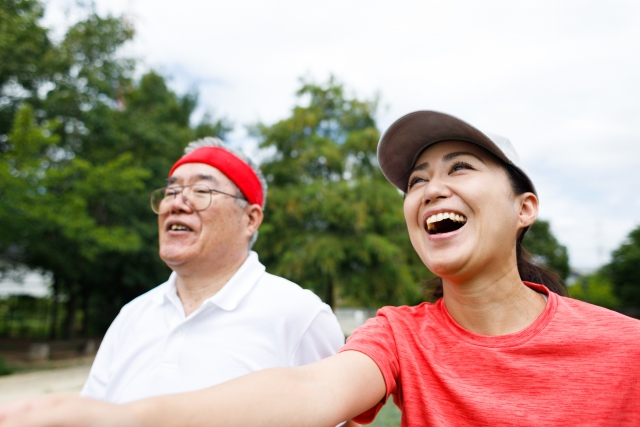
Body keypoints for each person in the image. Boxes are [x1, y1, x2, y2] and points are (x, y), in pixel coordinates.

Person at [1, 111, 638, 426]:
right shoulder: (401, 337)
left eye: (460, 168)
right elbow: (310, 393)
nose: (431, 190)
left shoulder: (623, 350)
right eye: (417, 180)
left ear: (525, 207)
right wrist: (108, 415)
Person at [77, 137, 345, 402]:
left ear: (250, 219)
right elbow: (89, 416)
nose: (176, 204)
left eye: (202, 191)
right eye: (170, 192)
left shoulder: (300, 315)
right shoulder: (132, 315)